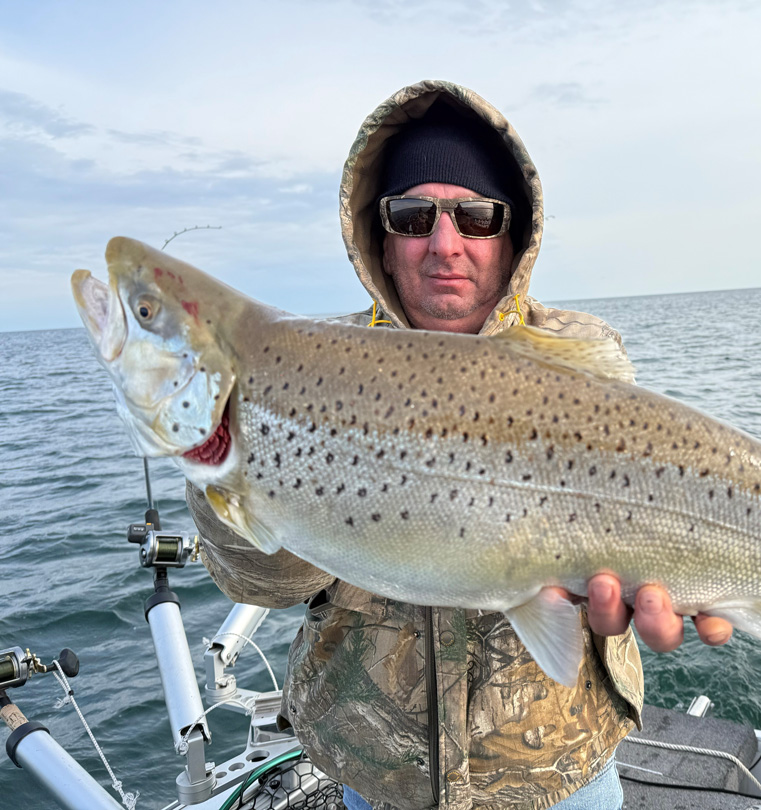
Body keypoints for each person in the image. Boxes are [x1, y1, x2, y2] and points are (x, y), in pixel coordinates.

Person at [188, 80, 731, 810]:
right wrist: (226, 464)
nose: (446, 244)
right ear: (379, 235)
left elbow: (631, 537)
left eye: (475, 216)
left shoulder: (584, 360)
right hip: (380, 780)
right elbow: (264, 584)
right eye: (413, 217)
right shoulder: (305, 370)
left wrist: (667, 573)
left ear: (513, 235)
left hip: (563, 777)